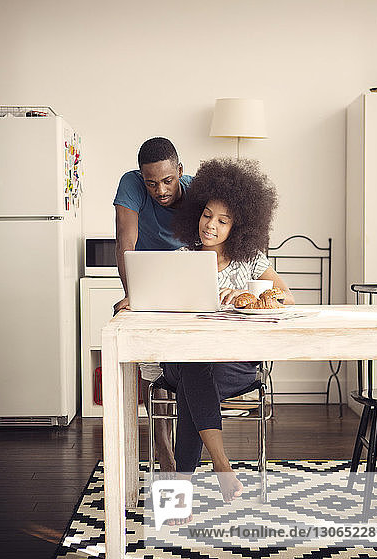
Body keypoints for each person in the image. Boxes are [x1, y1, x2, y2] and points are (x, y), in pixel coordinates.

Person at [162, 157, 295, 507]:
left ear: (239, 226)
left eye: (223, 220)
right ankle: (222, 464)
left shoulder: (250, 260)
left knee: (195, 384)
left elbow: (286, 297)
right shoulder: (182, 257)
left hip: (233, 364)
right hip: (184, 360)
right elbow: (160, 306)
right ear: (196, 214)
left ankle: (179, 494)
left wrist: (247, 295)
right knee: (194, 366)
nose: (211, 225)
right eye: (207, 215)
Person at [113, 137, 192, 472]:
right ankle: (162, 444)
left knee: (187, 363)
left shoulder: (197, 189)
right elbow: (125, 241)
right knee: (150, 362)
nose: (160, 190)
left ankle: (188, 450)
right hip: (146, 282)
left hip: (188, 280)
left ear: (180, 171)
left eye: (167, 180)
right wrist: (133, 295)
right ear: (141, 176)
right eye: (152, 182)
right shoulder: (130, 184)